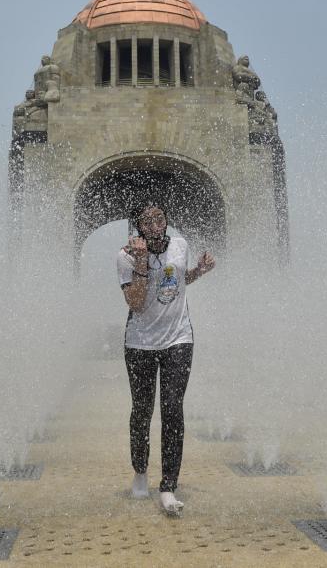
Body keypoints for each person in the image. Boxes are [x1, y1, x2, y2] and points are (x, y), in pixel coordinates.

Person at [116, 203, 215, 515]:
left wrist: (198, 271)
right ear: (139, 228)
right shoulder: (125, 257)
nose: (156, 225)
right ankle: (141, 472)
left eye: (160, 218)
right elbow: (136, 302)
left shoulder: (181, 245)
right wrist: (142, 260)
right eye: (148, 221)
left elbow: (178, 279)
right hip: (140, 342)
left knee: (173, 409)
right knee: (142, 410)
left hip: (178, 339)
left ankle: (169, 485)